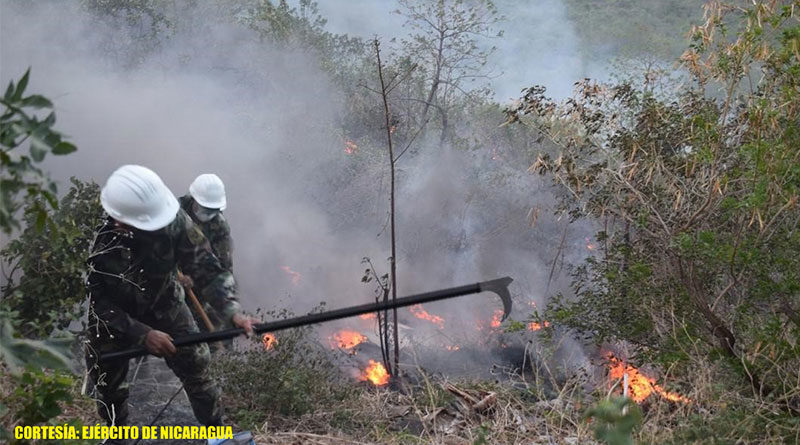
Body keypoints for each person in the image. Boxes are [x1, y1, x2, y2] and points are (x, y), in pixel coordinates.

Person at [85, 165, 253, 427]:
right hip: (115, 317)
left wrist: (231, 310)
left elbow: (207, 268)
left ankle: (217, 434)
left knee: (198, 369)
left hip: (165, 303)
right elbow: (99, 302)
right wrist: (143, 334)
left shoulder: (174, 220)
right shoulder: (102, 240)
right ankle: (117, 435)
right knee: (109, 386)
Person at [178, 174, 234, 342]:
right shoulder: (173, 212)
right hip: (171, 282)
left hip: (202, 283)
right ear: (193, 199)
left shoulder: (219, 227)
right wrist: (176, 276)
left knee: (216, 328)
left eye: (213, 210)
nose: (208, 214)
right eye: (205, 208)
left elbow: (224, 267)